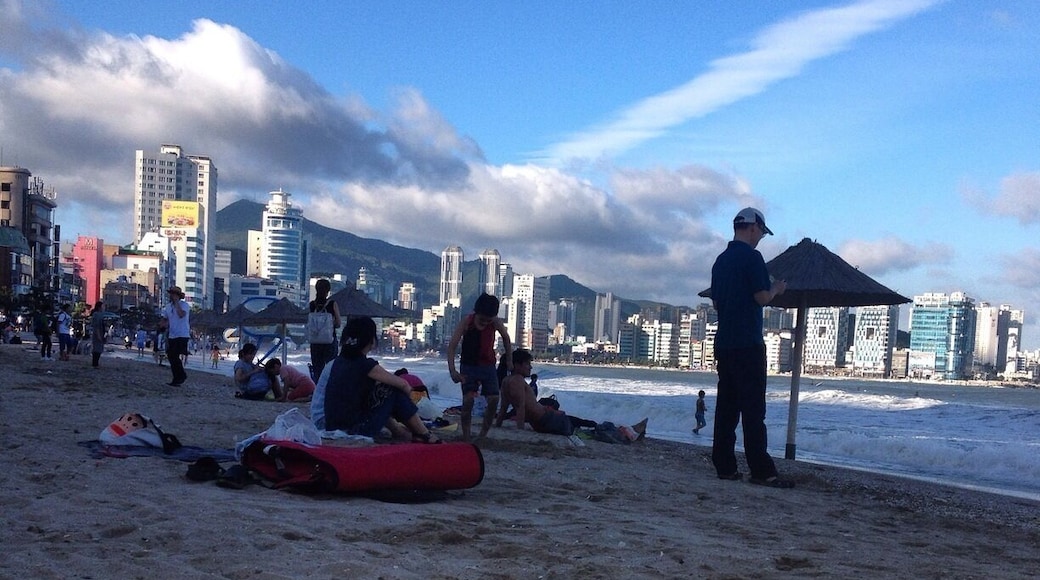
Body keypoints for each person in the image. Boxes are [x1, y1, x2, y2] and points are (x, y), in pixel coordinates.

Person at [709, 207, 793, 489]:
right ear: (753, 228)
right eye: (761, 233)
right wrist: (777, 289)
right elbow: (761, 298)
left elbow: (717, 303)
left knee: (727, 408)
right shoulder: (752, 257)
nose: (761, 239)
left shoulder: (720, 262)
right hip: (748, 343)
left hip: (724, 342)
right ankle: (761, 470)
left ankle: (725, 466)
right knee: (753, 410)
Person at [312, 316, 440, 442]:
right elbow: (403, 385)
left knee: (381, 393)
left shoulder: (337, 362)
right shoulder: (366, 365)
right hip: (349, 430)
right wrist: (417, 404)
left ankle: (404, 432)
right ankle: (424, 434)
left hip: (329, 424)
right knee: (392, 391)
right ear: (371, 341)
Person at [496, 349, 647, 439]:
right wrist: (520, 432)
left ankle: (627, 431)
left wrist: (497, 425)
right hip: (547, 421)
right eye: (528, 364)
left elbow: (503, 408)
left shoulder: (506, 381)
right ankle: (627, 434)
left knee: (580, 424)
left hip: (546, 420)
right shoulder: (517, 381)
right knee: (588, 427)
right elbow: (521, 408)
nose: (530, 367)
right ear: (517, 365)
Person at [446, 293, 512, 441]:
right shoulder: (467, 322)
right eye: (482, 319)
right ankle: (467, 435)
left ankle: (483, 434)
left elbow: (506, 339)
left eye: (488, 320)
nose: (484, 323)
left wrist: (509, 360)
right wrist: (452, 371)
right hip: (468, 366)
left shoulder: (495, 322)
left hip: (488, 366)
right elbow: (452, 346)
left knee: (494, 399)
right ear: (476, 312)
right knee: (468, 401)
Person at [308, 278, 341, 382]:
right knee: (331, 368)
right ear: (328, 290)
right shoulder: (332, 304)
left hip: (315, 341)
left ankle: (318, 390)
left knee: (318, 369)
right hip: (329, 341)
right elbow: (338, 323)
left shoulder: (312, 305)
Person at [159, 286, 190, 386]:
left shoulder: (184, 305)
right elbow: (165, 319)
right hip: (172, 334)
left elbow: (181, 314)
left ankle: (180, 376)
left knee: (174, 355)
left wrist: (177, 303)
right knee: (171, 356)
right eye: (171, 294)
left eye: (174, 294)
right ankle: (178, 377)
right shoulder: (168, 307)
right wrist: (161, 325)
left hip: (182, 334)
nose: (172, 296)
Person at [89, 301, 106, 368]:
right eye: (102, 306)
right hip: (97, 333)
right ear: (99, 307)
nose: (103, 307)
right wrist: (98, 335)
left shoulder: (100, 314)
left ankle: (96, 363)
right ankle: (95, 364)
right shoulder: (96, 314)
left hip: (101, 333)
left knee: (99, 348)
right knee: (97, 349)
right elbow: (96, 326)